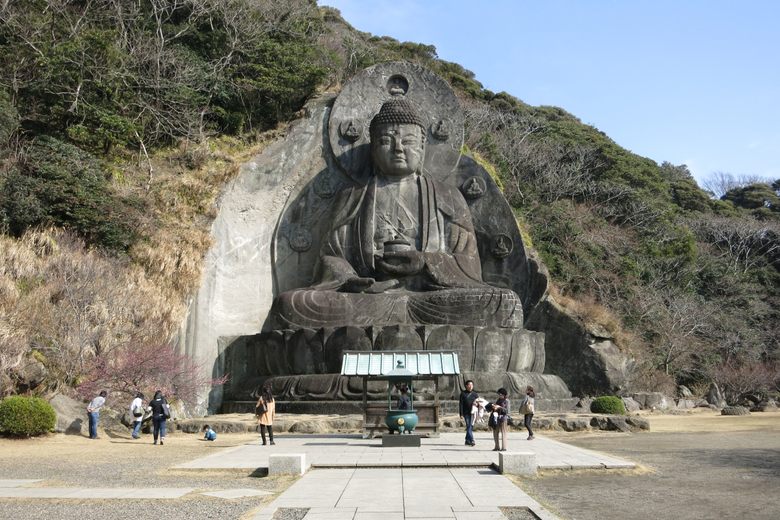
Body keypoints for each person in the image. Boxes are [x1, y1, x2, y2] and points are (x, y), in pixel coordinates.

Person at [272, 93, 523, 330]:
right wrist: (351, 280)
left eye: (409, 141)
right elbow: (331, 257)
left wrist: (426, 262)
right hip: (368, 299)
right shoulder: (352, 196)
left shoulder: (449, 196)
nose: (398, 148)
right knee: (292, 304)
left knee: (503, 303)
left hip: (431, 298)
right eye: (386, 141)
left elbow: (468, 265)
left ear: (423, 146)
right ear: (372, 149)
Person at [459, 380, 478, 447]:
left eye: (472, 385)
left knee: (470, 426)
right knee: (468, 426)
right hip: (466, 413)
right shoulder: (463, 394)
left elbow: (479, 403)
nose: (470, 386)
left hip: (473, 413)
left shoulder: (475, 394)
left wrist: (476, 404)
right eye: (469, 385)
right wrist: (461, 414)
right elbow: (461, 404)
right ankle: (472, 440)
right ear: (466, 386)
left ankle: (467, 440)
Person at [492, 388, 510, 452]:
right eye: (499, 394)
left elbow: (507, 411)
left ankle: (504, 447)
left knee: (503, 433)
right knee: (495, 432)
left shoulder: (507, 401)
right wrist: (494, 407)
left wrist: (500, 407)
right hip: (496, 418)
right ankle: (497, 446)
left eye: (500, 394)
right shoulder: (498, 400)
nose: (499, 395)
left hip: (503, 418)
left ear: (504, 394)